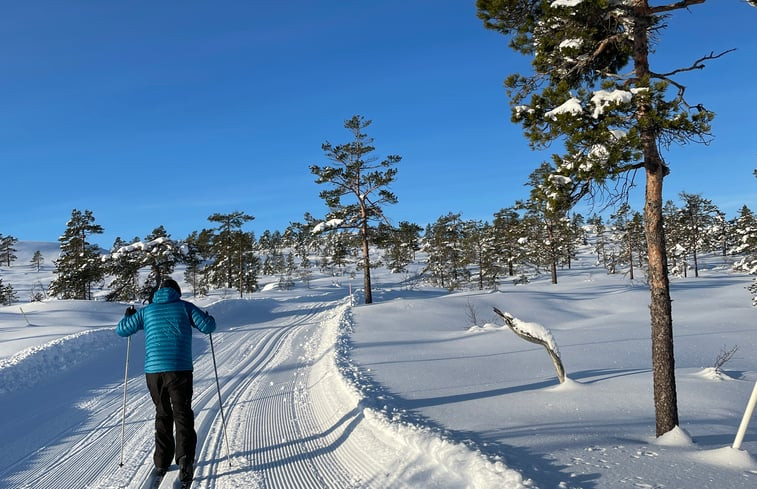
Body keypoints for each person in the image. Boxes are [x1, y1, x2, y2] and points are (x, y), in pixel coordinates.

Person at [117, 277, 216, 485]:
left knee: (162, 412)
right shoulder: (185, 307)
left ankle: (161, 462)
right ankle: (185, 459)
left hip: (154, 371)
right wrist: (209, 318)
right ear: (176, 292)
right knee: (182, 412)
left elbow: (123, 330)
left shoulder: (147, 311)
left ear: (156, 294)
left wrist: (128, 316)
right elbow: (207, 327)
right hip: (179, 369)